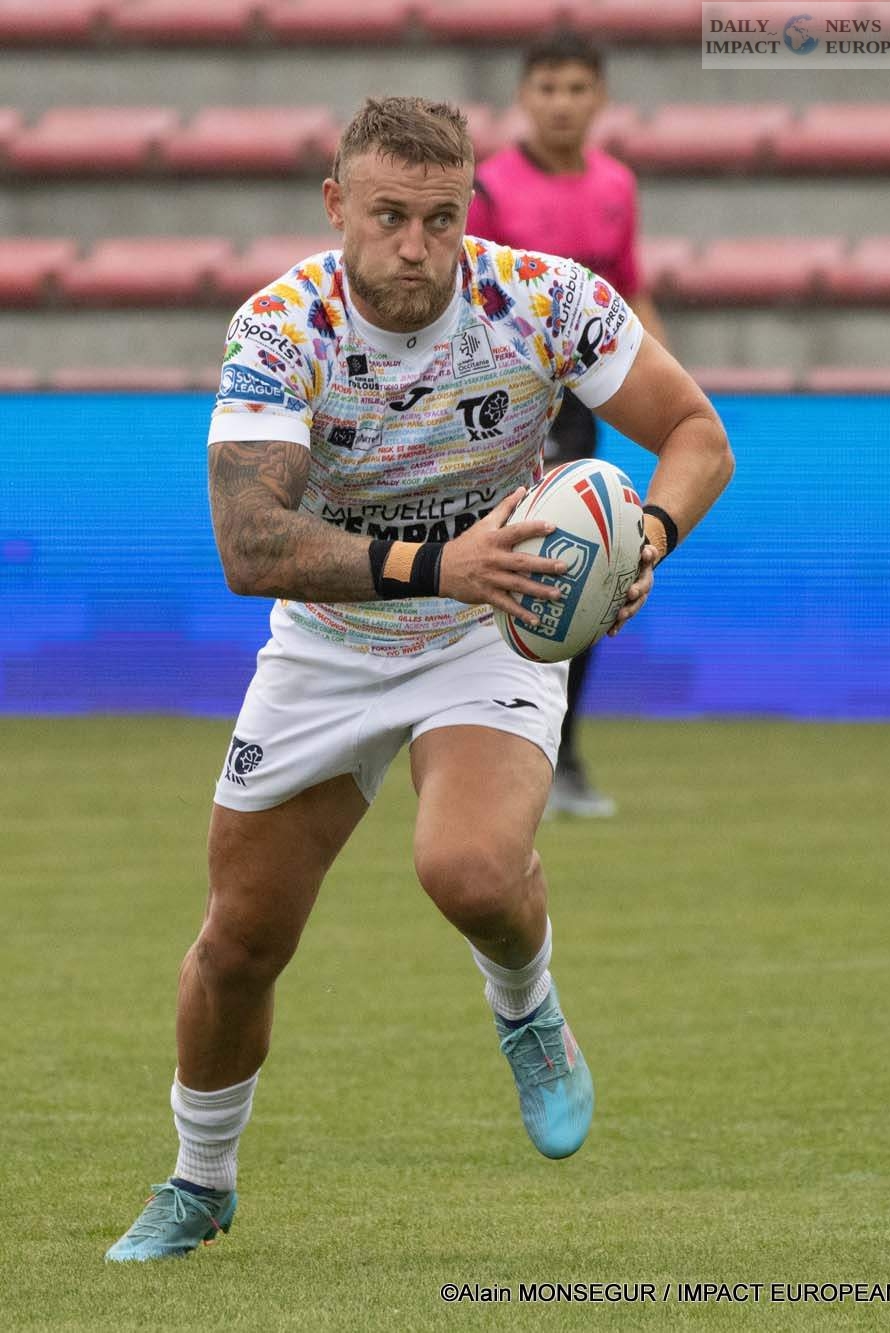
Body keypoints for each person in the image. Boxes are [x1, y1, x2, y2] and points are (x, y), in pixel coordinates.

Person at [106, 95, 733, 1262]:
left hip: (487, 628)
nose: (415, 245)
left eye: (441, 218)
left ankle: (528, 1009)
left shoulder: (543, 300)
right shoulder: (281, 327)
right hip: (331, 642)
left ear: (467, 213)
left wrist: (646, 538)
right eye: (389, 214)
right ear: (336, 203)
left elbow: (698, 433)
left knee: (470, 869)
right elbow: (250, 544)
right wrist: (439, 561)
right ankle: (199, 1181)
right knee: (240, 941)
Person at [469, 30, 669, 819]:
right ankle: (491, 745)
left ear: (600, 98)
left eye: (576, 88)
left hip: (583, 404)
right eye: (547, 87)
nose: (561, 103)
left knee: (583, 567)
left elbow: (629, 290)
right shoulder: (488, 188)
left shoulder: (616, 185)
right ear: (523, 96)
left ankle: (559, 753)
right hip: (508, 404)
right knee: (513, 563)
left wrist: (667, 389)